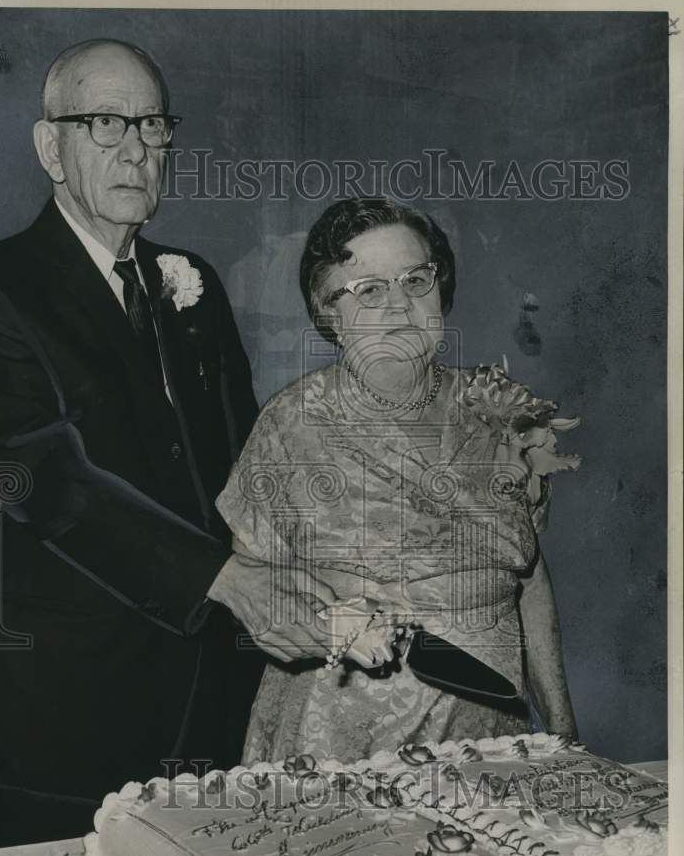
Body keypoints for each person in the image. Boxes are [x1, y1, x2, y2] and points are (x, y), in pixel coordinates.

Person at [0, 38, 333, 848]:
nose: (135, 149)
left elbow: (241, 462)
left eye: (152, 126)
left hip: (206, 703)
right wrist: (228, 580)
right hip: (56, 716)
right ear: (51, 147)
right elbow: (41, 476)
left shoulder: (193, 281)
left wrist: (324, 559)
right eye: (103, 123)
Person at [215, 197, 581, 762]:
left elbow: (527, 576)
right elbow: (258, 594)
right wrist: (333, 626)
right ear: (327, 312)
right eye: (367, 289)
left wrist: (559, 723)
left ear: (442, 286)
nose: (398, 305)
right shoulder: (291, 423)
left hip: (491, 727)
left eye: (415, 278)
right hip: (341, 740)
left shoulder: (501, 410)